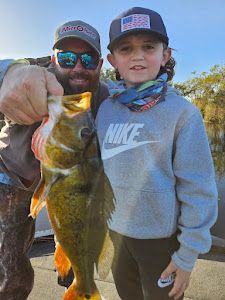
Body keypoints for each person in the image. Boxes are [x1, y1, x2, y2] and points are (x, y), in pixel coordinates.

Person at [95, 7, 218, 300]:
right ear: (113, 61)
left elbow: (199, 189)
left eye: (148, 47)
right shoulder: (105, 108)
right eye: (126, 49)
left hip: (162, 243)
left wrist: (187, 255)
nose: (137, 56)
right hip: (116, 237)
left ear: (164, 55)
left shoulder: (183, 113)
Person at [0, 20, 108, 300]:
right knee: (9, 270)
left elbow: (139, 83)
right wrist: (6, 74)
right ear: (53, 59)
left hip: (69, 181)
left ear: (100, 63)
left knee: (74, 246)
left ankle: (75, 286)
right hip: (13, 177)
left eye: (88, 59)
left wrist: (164, 71)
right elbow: (11, 70)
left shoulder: (104, 93)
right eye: (68, 58)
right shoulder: (33, 73)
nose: (78, 67)